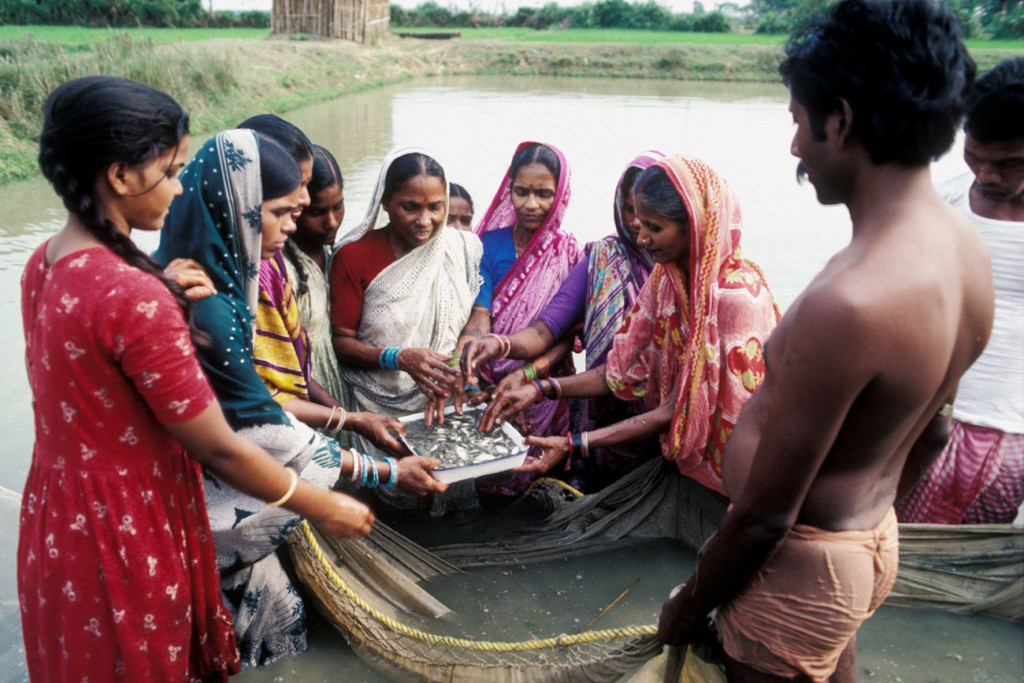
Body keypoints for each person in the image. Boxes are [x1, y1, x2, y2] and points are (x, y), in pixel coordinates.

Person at [655, 2, 991, 682]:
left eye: (797, 122)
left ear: (838, 119)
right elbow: (932, 432)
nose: (794, 147)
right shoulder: (964, 250)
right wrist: (859, 537)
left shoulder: (851, 301)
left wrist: (691, 603)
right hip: (862, 543)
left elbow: (762, 518)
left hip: (800, 563)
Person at [21, 76, 373, 681]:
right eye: (170, 170)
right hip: (127, 526)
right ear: (119, 176)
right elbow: (218, 445)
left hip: (58, 513)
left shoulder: (46, 262)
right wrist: (322, 503)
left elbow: (93, 378)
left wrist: (157, 290)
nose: (183, 187)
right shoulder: (136, 297)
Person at [154, 128, 410, 666]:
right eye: (281, 213)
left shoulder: (179, 270)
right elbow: (258, 425)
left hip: (177, 503)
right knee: (264, 633)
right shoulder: (212, 304)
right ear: (238, 209)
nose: (293, 227)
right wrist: (378, 472)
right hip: (209, 505)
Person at [478, 155, 779, 496]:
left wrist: (573, 442)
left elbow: (677, 409)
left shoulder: (735, 296)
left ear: (694, 223)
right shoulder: (666, 282)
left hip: (737, 471)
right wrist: (539, 388)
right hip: (674, 456)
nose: (642, 236)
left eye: (654, 227)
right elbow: (619, 371)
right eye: (633, 215)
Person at [461, 151, 665, 492]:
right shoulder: (603, 260)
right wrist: (499, 346)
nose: (637, 225)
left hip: (670, 422)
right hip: (608, 416)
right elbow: (546, 329)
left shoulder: (694, 279)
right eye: (629, 210)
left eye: (651, 217)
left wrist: (530, 377)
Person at [896, 56, 1024, 525]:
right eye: (976, 158)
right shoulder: (941, 205)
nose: (987, 176)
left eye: (1010, 164)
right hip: (923, 418)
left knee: (965, 565)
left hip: (1012, 432)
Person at [460, 141, 583, 496]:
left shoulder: (570, 253)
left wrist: (527, 373)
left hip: (545, 387)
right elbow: (480, 313)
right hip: (489, 384)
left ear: (560, 194)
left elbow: (565, 338)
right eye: (521, 192)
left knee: (541, 476)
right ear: (508, 190)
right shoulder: (487, 244)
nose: (531, 205)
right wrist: (466, 362)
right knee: (488, 477)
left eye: (544, 193)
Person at [330, 148, 481, 435]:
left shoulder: (460, 249)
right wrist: (398, 358)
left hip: (444, 401)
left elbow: (478, 313)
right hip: (373, 410)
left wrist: (459, 364)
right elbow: (340, 343)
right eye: (410, 207)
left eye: (436, 207)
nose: (424, 221)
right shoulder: (354, 256)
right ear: (385, 202)